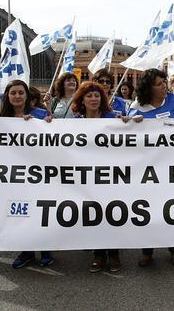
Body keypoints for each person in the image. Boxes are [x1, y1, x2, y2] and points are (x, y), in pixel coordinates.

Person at [0, 80, 54, 268]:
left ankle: (45, 250)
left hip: (39, 173)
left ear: (27, 96)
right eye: (13, 93)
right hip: (14, 176)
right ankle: (26, 252)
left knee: (41, 213)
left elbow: (55, 137)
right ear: (7, 96)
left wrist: (48, 123)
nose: (17, 96)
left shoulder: (40, 114)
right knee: (20, 214)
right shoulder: (1, 118)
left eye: (21, 92)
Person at [129, 69, 174, 267]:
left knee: (173, 208)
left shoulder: (173, 101)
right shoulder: (136, 109)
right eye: (159, 83)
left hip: (172, 166)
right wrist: (128, 125)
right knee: (148, 209)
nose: (164, 86)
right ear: (148, 88)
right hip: (148, 169)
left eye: (164, 82)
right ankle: (147, 250)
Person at [71, 82, 125, 272]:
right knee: (93, 215)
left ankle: (114, 253)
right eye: (89, 96)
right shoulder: (74, 122)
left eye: (97, 96)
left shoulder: (114, 118)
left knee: (111, 214)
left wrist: (133, 123)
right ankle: (99, 254)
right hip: (86, 177)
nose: (93, 99)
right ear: (82, 100)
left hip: (111, 176)